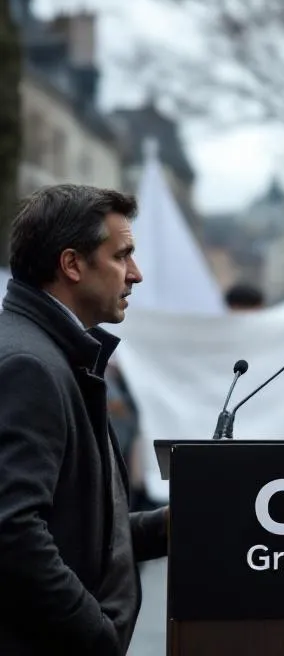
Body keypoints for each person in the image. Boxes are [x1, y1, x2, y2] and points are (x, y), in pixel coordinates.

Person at [0, 185, 170, 655]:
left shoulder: (49, 351)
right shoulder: (29, 364)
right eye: (122, 256)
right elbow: (13, 532)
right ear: (73, 265)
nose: (135, 274)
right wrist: (95, 634)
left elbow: (76, 532)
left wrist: (171, 524)